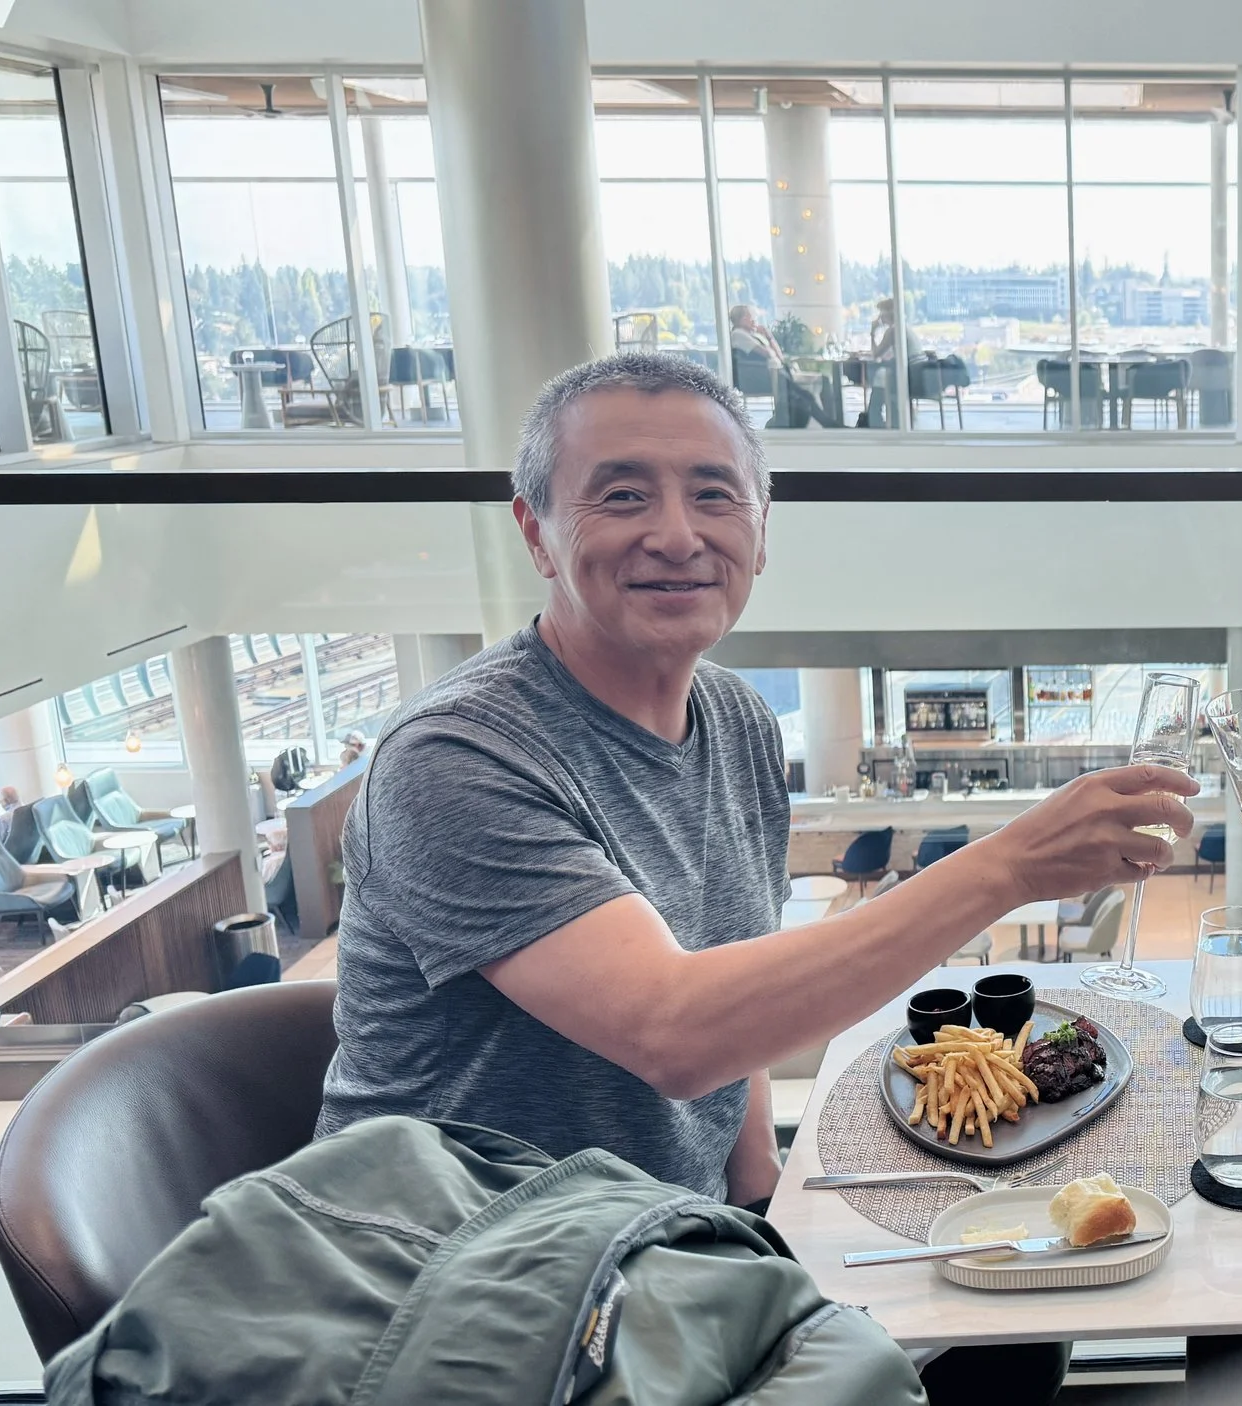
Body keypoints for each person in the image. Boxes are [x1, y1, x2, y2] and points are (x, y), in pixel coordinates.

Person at [316, 353, 1192, 1405]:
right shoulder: (455, 758)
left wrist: (763, 1200)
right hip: (472, 1286)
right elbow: (676, 1032)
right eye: (622, 495)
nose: (676, 534)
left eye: (714, 494)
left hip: (664, 1250)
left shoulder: (732, 720)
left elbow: (732, 976)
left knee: (1015, 1320)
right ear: (535, 532)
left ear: (761, 531)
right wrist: (1008, 865)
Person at [729, 303, 841, 430]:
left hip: (780, 373)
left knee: (811, 392)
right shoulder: (738, 334)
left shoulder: (752, 336)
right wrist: (771, 352)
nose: (755, 320)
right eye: (752, 317)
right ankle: (830, 425)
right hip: (768, 377)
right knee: (806, 397)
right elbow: (768, 354)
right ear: (743, 319)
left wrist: (769, 337)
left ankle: (831, 423)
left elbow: (779, 357)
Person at [864, 296, 903, 428]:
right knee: (881, 373)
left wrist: (872, 333)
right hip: (908, 374)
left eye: (881, 313)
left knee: (878, 375)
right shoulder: (902, 328)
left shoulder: (892, 330)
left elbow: (876, 354)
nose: (879, 317)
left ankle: (876, 425)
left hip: (898, 377)